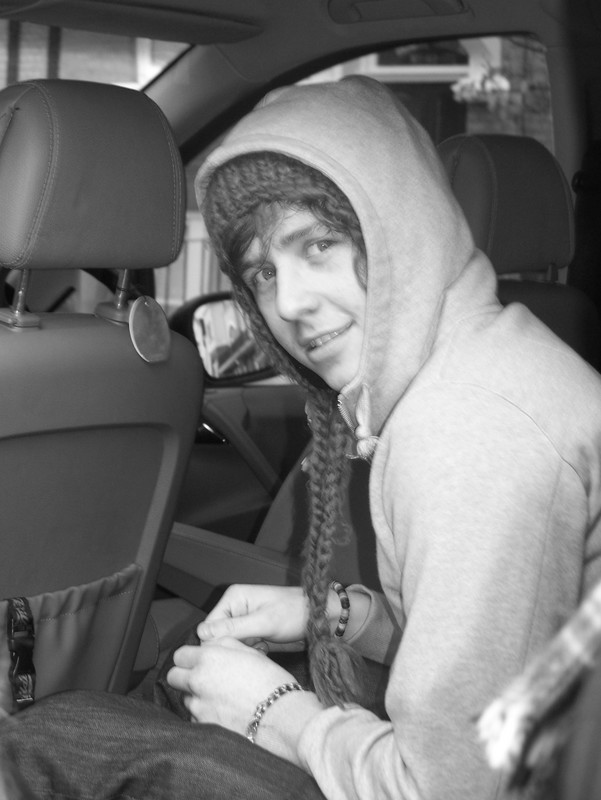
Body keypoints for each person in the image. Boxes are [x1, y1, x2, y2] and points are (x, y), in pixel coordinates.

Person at [1, 74, 601, 800]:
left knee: (41, 740)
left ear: (399, 223)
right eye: (262, 271)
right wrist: (337, 614)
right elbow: (503, 661)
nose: (287, 303)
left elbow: (448, 788)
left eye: (318, 243)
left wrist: (275, 713)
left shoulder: (468, 427)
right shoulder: (492, 360)